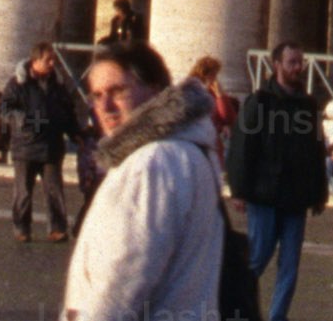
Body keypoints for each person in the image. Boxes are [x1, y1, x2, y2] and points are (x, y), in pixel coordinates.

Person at [65, 39, 229, 321]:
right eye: (96, 94)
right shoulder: (190, 151)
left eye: (118, 90)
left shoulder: (152, 163)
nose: (105, 106)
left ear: (154, 90)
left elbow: (122, 280)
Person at [232, 43, 331, 321]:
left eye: (300, 62)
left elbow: (316, 150)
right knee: (258, 257)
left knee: (290, 265)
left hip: (295, 197)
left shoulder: (308, 104)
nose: (297, 68)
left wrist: (320, 192)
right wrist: (239, 189)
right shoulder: (259, 101)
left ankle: (277, 317)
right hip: (264, 195)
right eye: (291, 62)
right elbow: (242, 147)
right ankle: (235, 307)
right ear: (277, 65)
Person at [9, 39, 93, 242]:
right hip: (26, 145)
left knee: (54, 190)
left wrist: (75, 133)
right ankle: (22, 229)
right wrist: (28, 123)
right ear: (35, 60)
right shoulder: (17, 83)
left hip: (52, 145)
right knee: (23, 192)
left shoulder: (58, 84)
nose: (52, 64)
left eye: (54, 60)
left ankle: (57, 229)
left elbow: (67, 112)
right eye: (48, 60)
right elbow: (6, 110)